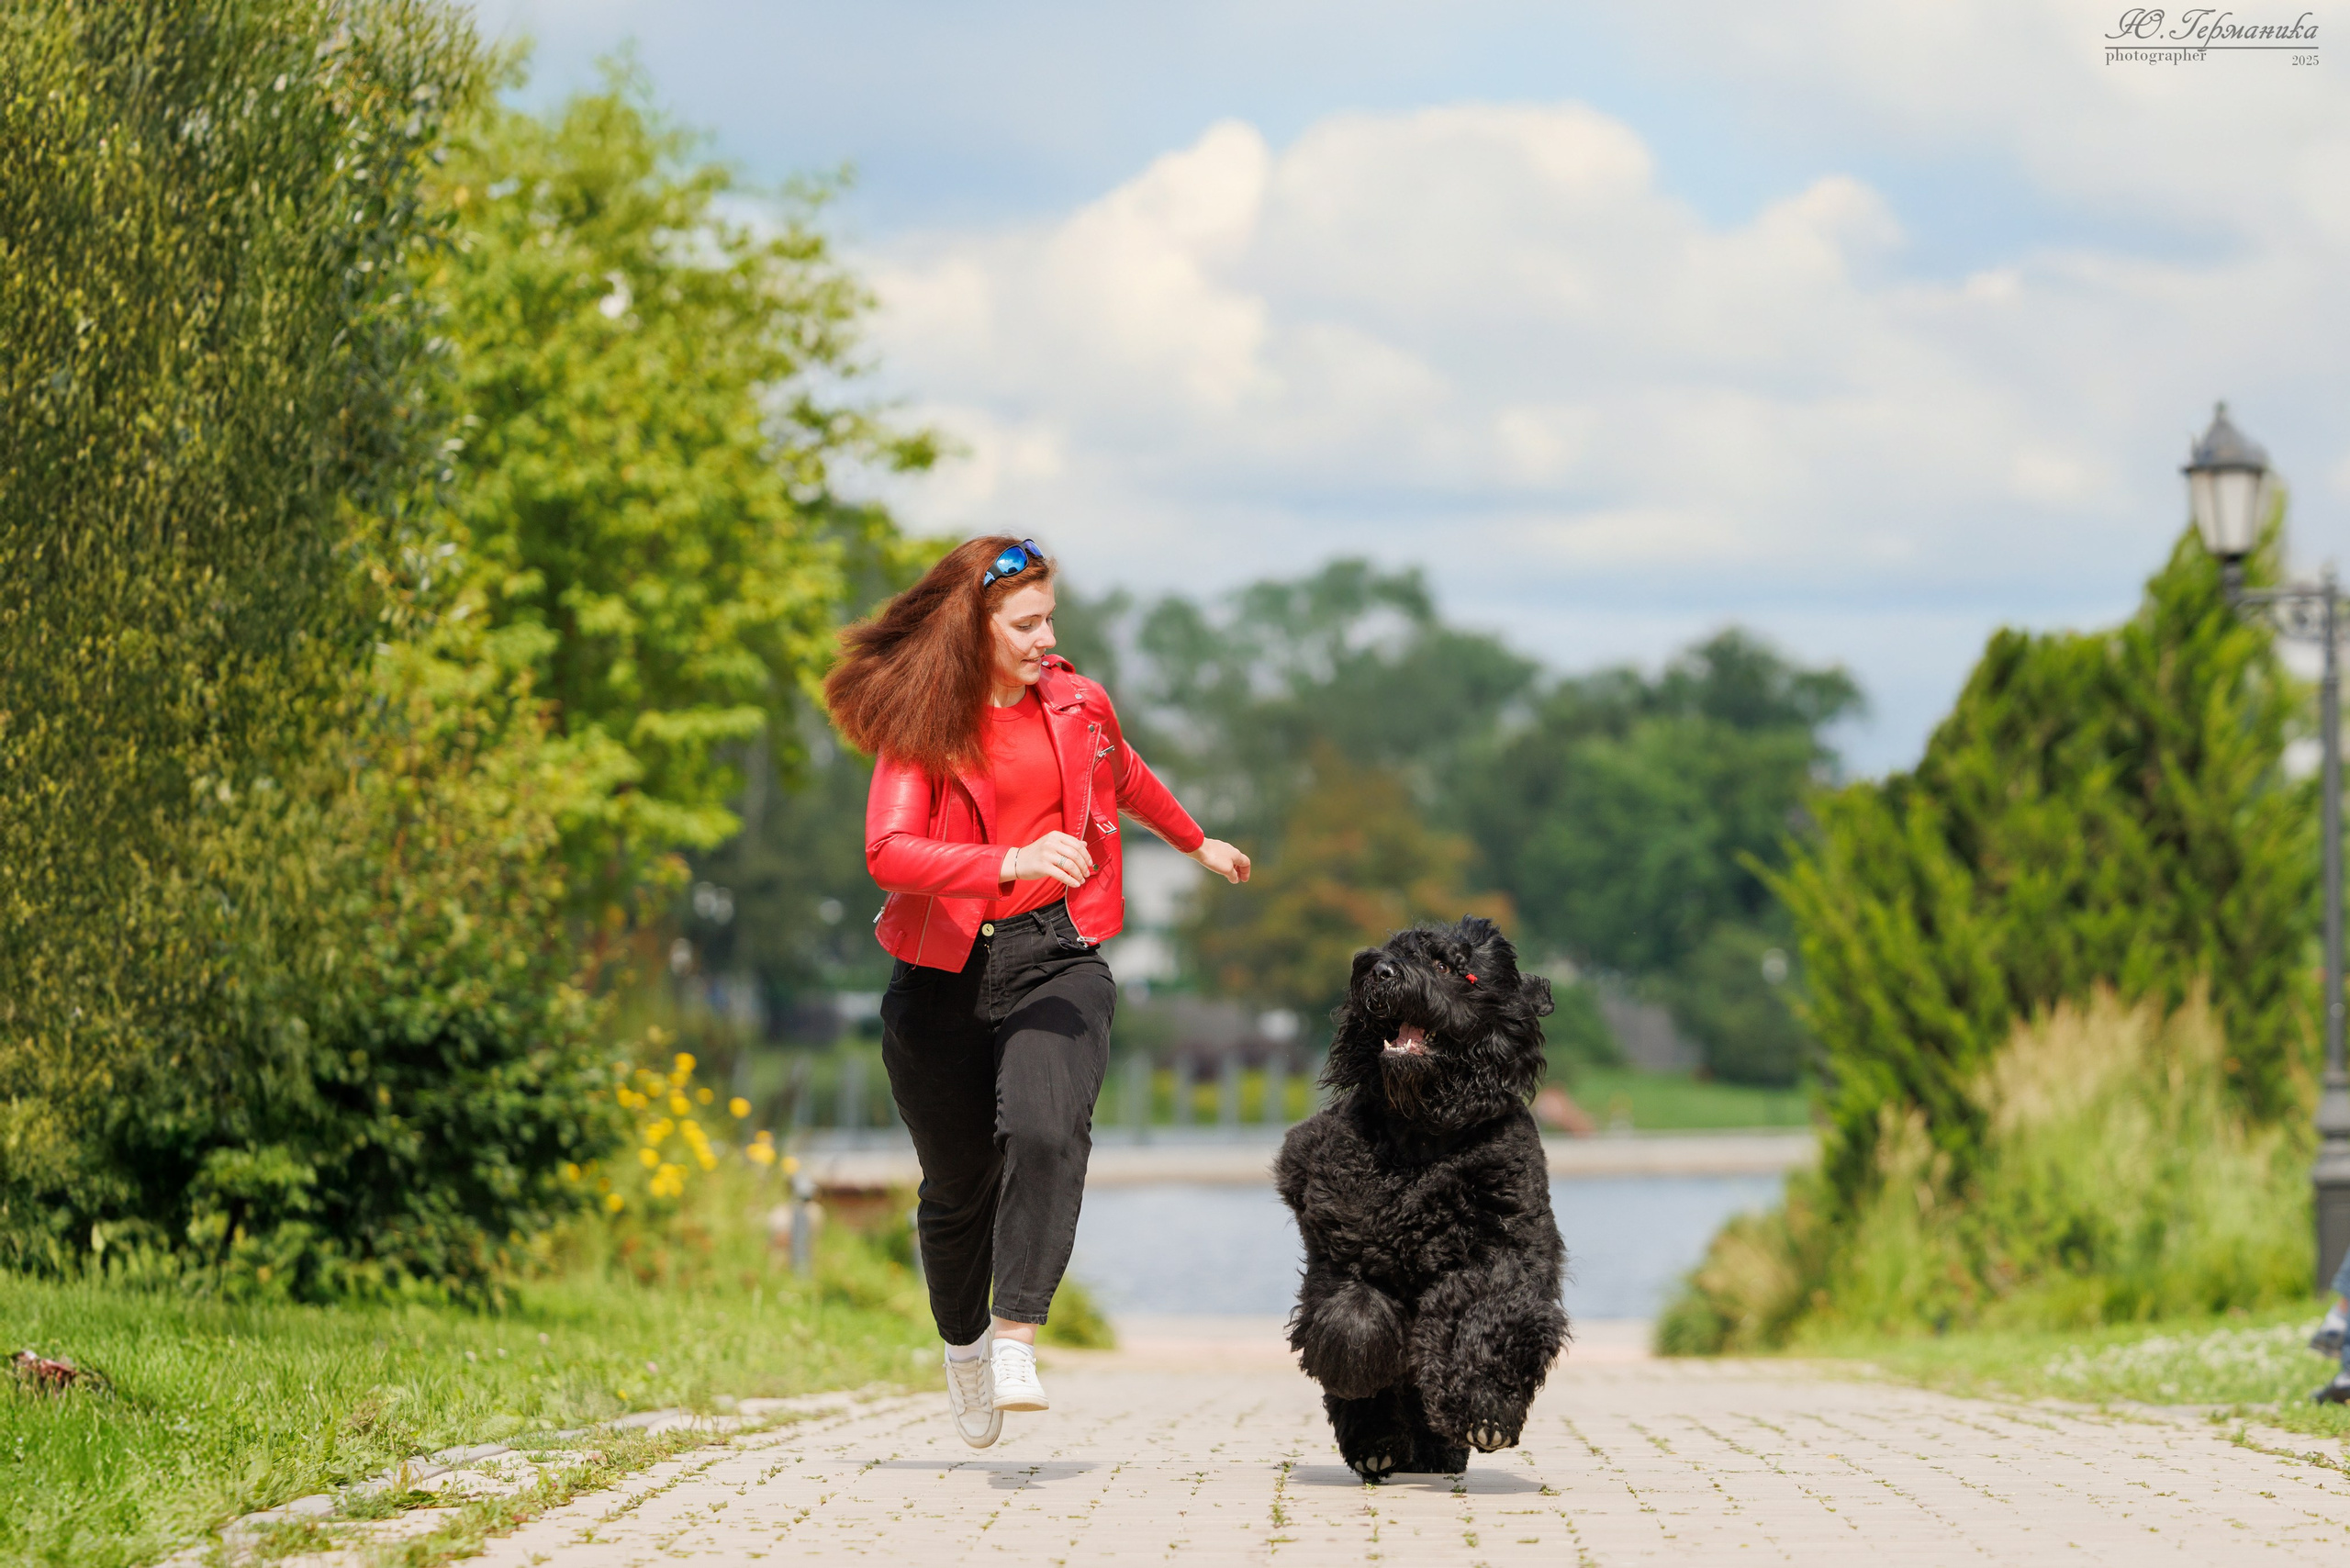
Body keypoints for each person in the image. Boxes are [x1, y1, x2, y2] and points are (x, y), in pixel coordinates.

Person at [822, 535, 1250, 1448]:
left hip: (1055, 953)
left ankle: (1017, 1331)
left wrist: (1194, 841)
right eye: (1025, 623)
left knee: (1047, 1126)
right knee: (957, 1188)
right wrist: (1006, 858)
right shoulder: (924, 719)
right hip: (940, 973)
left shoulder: (1075, 699)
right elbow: (885, 854)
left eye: (1049, 616)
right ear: (975, 628)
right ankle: (967, 1347)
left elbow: (1122, 771)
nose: (1045, 637)